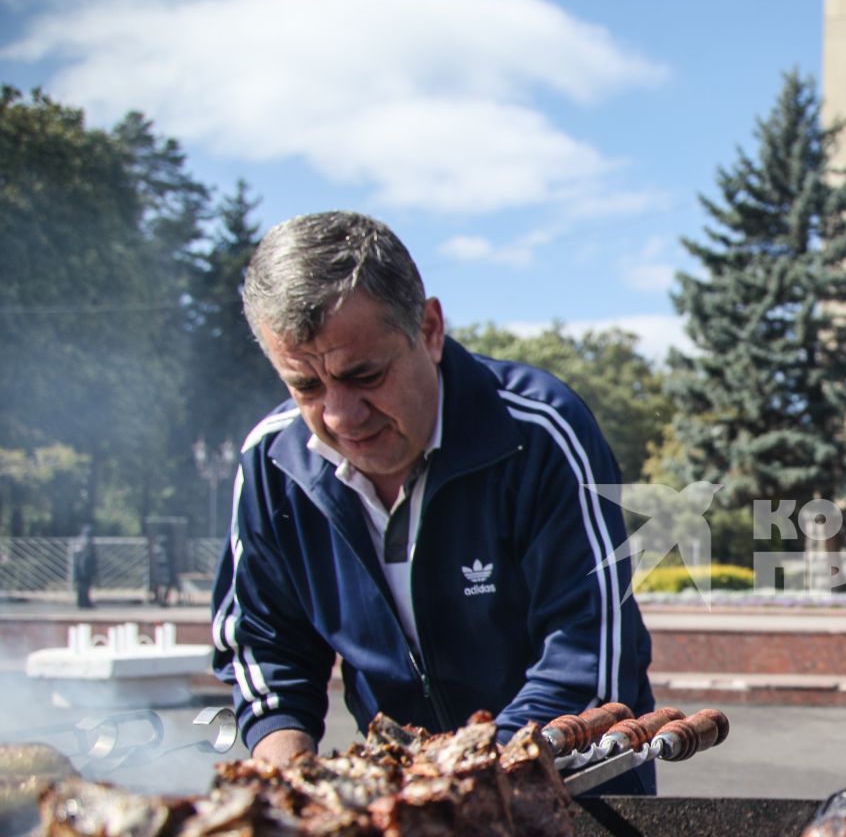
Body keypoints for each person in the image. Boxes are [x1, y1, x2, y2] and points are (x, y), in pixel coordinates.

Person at [211, 212, 656, 789]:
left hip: (575, 803)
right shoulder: (272, 462)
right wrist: (289, 776)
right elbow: (264, 645)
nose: (341, 417)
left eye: (365, 375)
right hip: (412, 804)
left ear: (429, 329)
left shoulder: (540, 432)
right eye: (307, 386)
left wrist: (445, 787)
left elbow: (592, 652)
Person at [70, 523, 95, 610]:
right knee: (85, 586)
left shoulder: (79, 540)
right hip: (84, 567)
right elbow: (86, 556)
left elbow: (77, 554)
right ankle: (84, 602)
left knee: (81, 586)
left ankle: (82, 602)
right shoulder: (87, 541)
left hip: (80, 567)